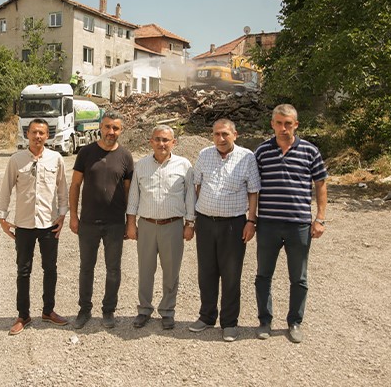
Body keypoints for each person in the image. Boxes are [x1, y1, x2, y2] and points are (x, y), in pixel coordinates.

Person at [253, 104, 327, 344]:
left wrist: (320, 219)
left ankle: (295, 322)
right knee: (264, 275)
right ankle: (265, 321)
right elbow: (253, 188)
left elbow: (320, 185)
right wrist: (251, 219)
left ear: (296, 124)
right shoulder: (262, 152)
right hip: (268, 225)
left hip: (299, 226)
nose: (283, 128)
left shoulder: (310, 151)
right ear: (272, 124)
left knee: (299, 278)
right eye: (278, 123)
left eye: (288, 123)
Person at [0, 118, 70, 336]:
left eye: (42, 133)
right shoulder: (16, 160)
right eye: (34, 132)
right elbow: (6, 188)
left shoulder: (55, 159)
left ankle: (48, 311)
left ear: (48, 136)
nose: (38, 137)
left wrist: (62, 215)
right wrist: (3, 218)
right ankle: (23, 315)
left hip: (49, 223)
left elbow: (62, 189)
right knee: (23, 270)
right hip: (24, 224)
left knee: (50, 269)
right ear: (27, 134)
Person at [189, 118, 260, 342]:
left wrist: (251, 221)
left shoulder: (247, 157)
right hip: (206, 223)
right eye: (217, 134)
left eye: (225, 134)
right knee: (206, 272)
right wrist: (197, 215)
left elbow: (253, 191)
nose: (220, 138)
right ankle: (207, 316)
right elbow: (196, 185)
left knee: (231, 274)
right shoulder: (204, 155)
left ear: (235, 135)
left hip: (233, 224)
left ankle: (229, 322)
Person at [126, 125, 195, 330]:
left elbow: (190, 196)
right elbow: (134, 196)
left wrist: (189, 223)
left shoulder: (184, 166)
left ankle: (167, 311)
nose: (161, 143)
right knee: (145, 270)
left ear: (173, 142)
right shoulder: (142, 165)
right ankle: (144, 310)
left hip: (173, 226)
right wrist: (131, 222)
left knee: (171, 271)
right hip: (146, 225)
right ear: (151, 142)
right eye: (157, 139)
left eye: (166, 140)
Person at [69, 110, 134, 329]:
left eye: (115, 128)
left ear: (121, 130)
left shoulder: (126, 156)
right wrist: (74, 216)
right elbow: (75, 185)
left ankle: (108, 311)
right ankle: (84, 310)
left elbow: (128, 192)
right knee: (86, 268)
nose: (111, 132)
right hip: (88, 222)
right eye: (107, 127)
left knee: (113, 269)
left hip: (115, 224)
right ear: (100, 127)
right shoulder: (86, 153)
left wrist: (129, 221)